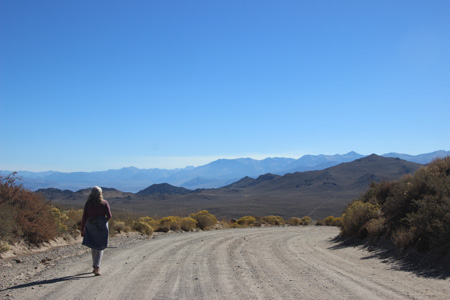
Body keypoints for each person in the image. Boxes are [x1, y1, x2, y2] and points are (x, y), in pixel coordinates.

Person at [81, 186, 112, 276]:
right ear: (100, 194)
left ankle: (95, 266)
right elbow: (109, 216)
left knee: (94, 245)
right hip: (101, 227)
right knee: (100, 246)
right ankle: (96, 267)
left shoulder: (88, 203)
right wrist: (103, 222)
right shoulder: (104, 203)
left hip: (90, 226)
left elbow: (84, 217)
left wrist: (82, 229)